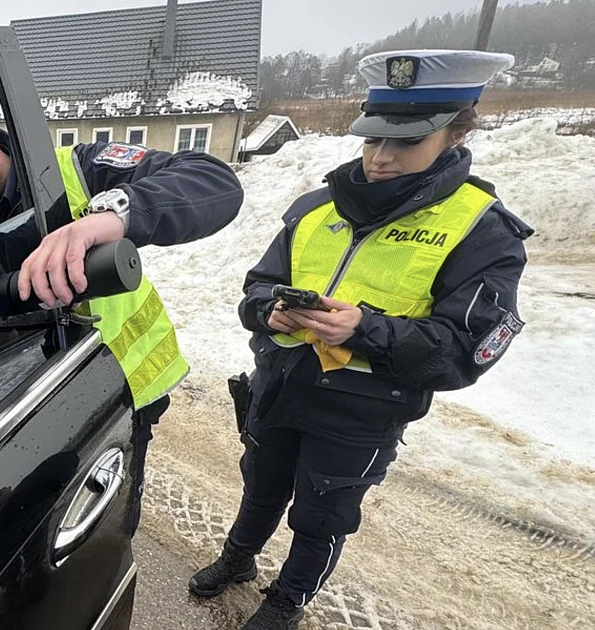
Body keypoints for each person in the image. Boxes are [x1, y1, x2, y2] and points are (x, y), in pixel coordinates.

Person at [187, 49, 533, 629]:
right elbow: (257, 286)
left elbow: (467, 350)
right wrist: (267, 312)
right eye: (373, 139)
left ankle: (287, 600)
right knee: (261, 487)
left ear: (455, 134)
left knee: (321, 516)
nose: (381, 157)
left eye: (405, 143)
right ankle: (239, 560)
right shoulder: (316, 208)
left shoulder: (483, 230)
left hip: (361, 412)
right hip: (281, 386)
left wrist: (366, 329)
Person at [0, 68, 244, 536]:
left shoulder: (75, 171)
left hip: (119, 396)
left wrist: (107, 218)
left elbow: (214, 181)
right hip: (26, 416)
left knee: (101, 530)